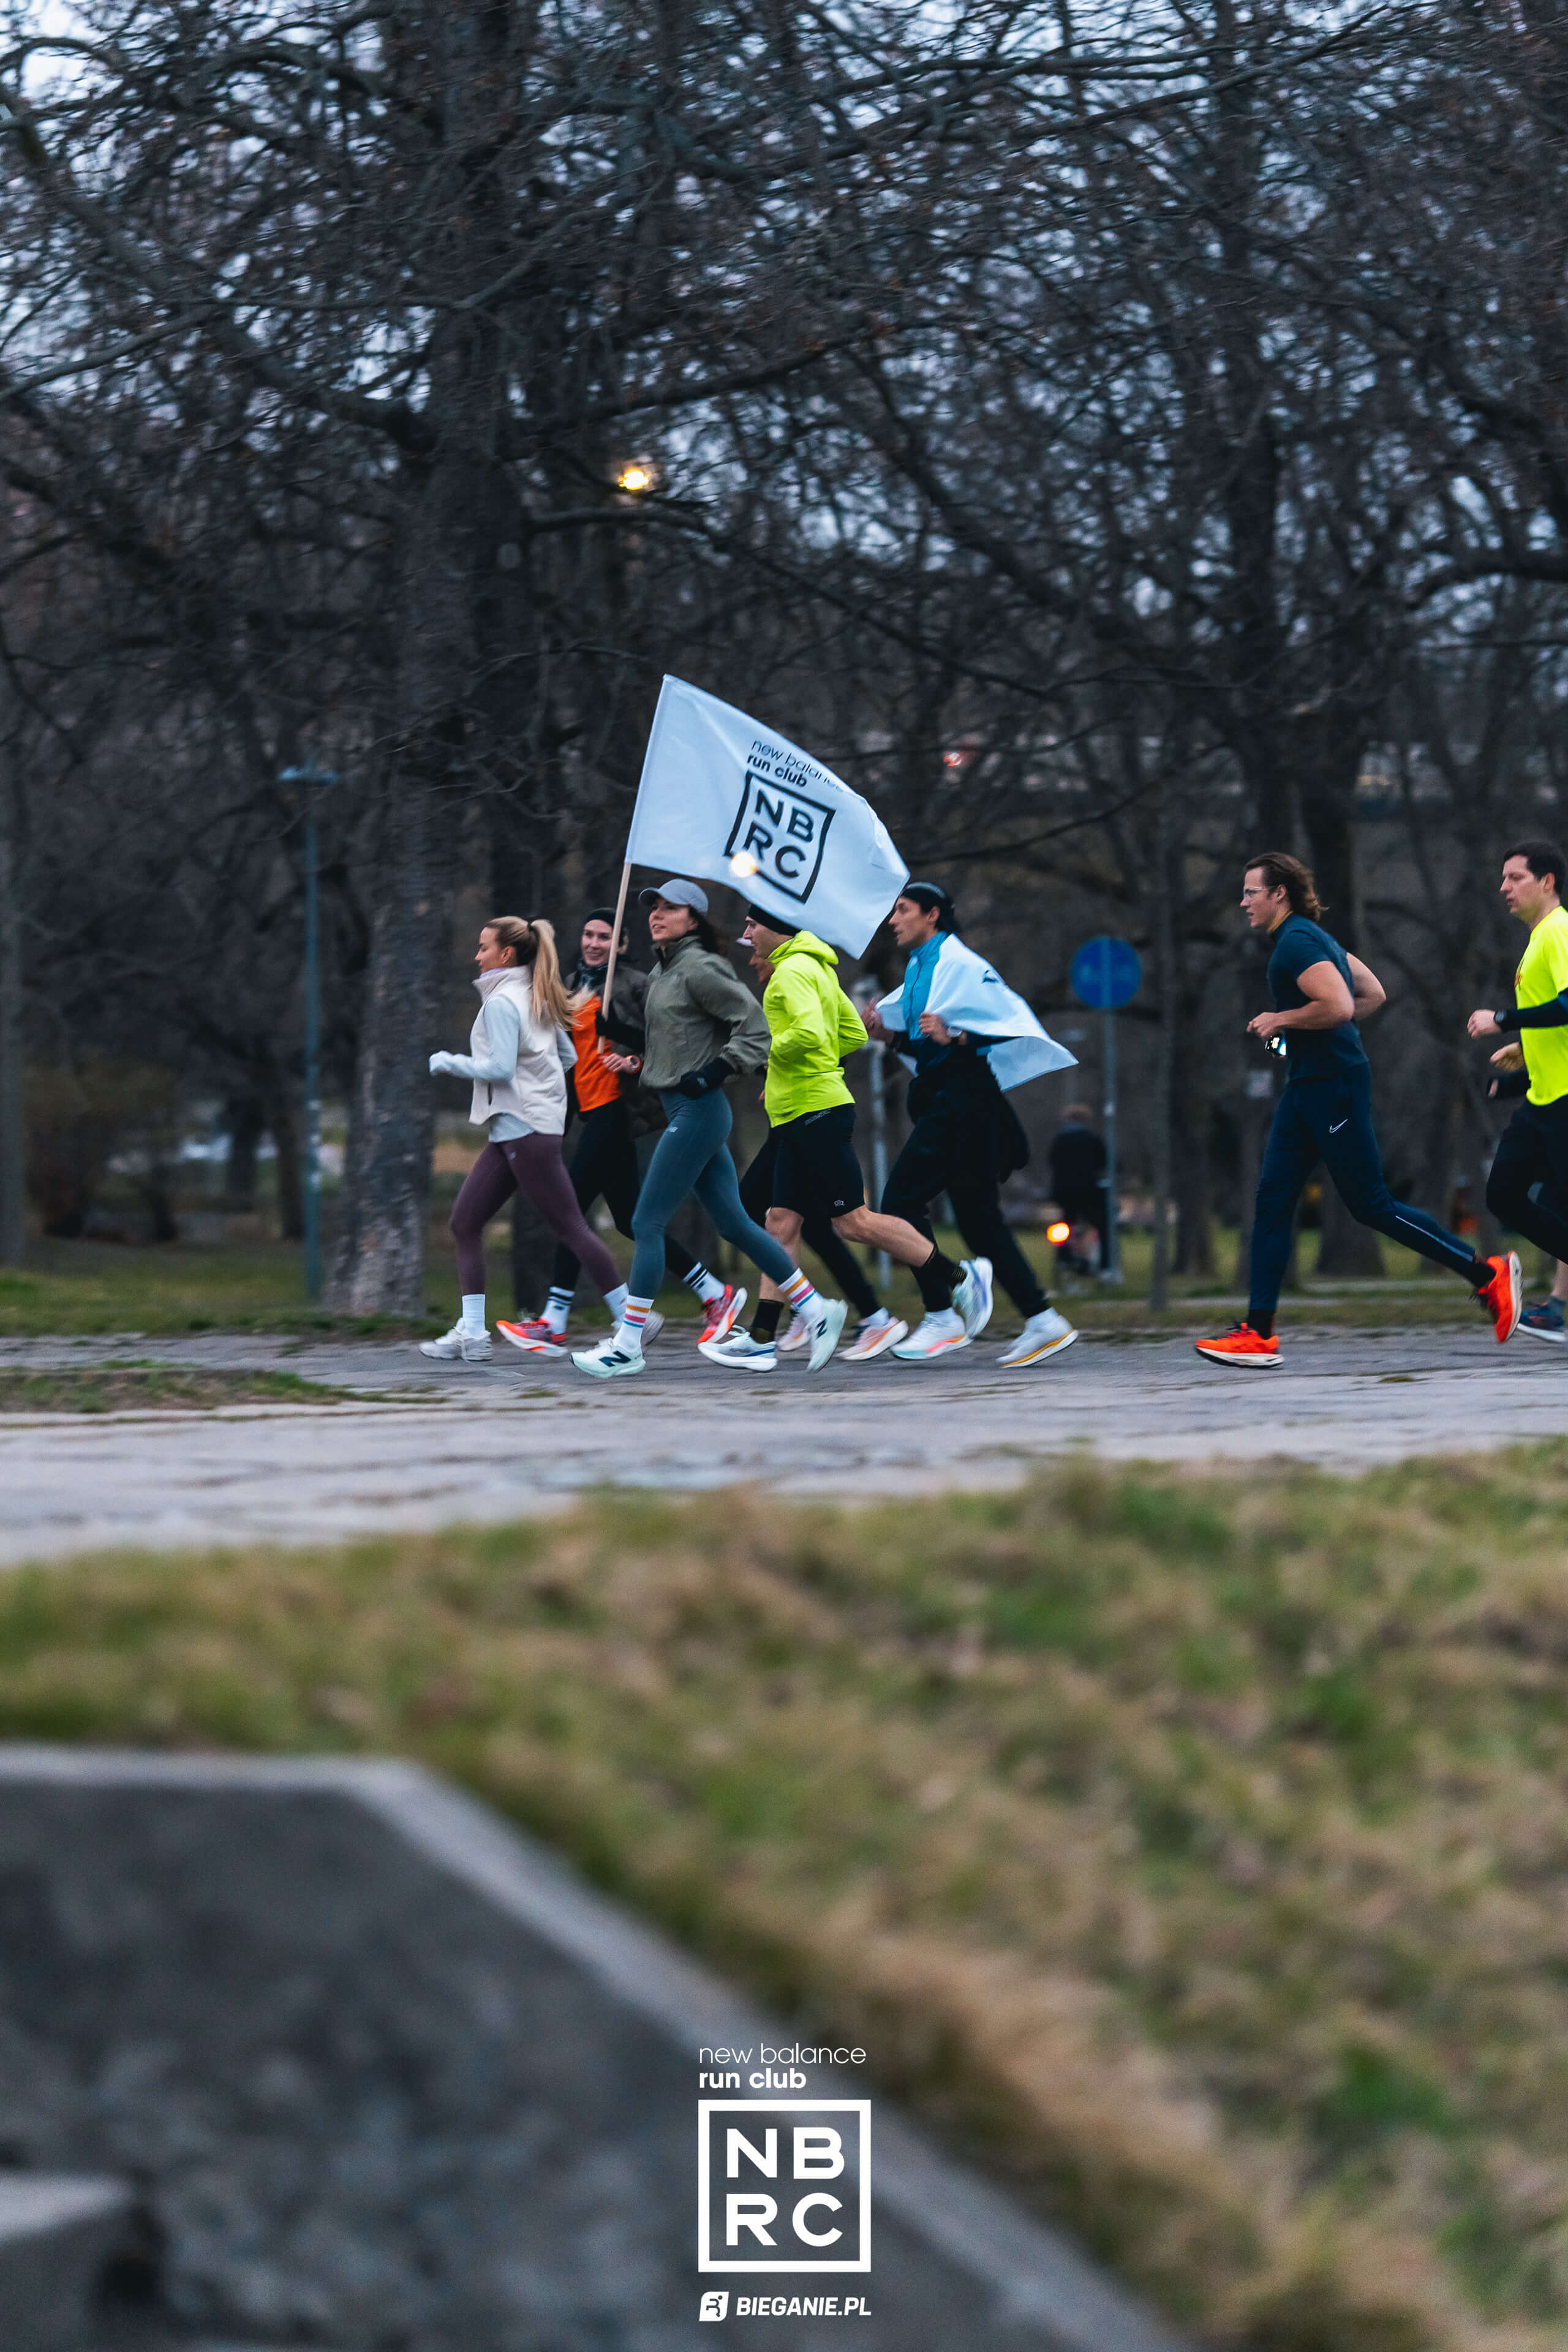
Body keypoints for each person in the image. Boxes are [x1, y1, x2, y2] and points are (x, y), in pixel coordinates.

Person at [1196, 852, 1520, 1368]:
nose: (1243, 903)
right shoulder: (1311, 937)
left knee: (1371, 1205)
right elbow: (1371, 992)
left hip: (1334, 1090)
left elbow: (1345, 1006)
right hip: (1308, 1087)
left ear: (1278, 893)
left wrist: (1283, 1018)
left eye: (1251, 892)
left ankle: (1487, 1275)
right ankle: (1258, 1333)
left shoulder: (1296, 944)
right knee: (1272, 1200)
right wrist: (1317, 1030)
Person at [571, 880, 847, 1379]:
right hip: (684, 1110)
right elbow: (677, 1045)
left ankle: (628, 1344)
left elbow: (756, 1028)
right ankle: (814, 1309)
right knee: (736, 1224)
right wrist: (628, 1041)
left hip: (699, 1112)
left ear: (693, 919)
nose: (657, 914)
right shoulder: (665, 971)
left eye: (670, 908)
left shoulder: (701, 967)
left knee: (646, 1222)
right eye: (653, 907)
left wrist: (714, 1074)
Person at [701, 905, 991, 1370]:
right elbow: (853, 1034)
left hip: (814, 1111)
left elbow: (811, 1034)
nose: (747, 934)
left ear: (777, 928)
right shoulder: (815, 966)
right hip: (804, 1110)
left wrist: (770, 1055)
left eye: (753, 925)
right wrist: (800, 1068)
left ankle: (962, 1277)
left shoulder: (789, 973)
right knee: (780, 1222)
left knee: (853, 1223)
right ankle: (761, 1336)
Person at [496, 907, 744, 1355]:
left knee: (568, 1206)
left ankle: (554, 1320)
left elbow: (668, 1040)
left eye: (605, 938)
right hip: (591, 1109)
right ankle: (713, 1292)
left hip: (621, 1107)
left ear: (621, 946)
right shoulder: (569, 988)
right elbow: (566, 1060)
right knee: (633, 1219)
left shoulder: (635, 984)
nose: (594, 943)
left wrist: (633, 1059)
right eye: (589, 935)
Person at [863, 883, 1079, 1364]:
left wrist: (957, 1033)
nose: (893, 920)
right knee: (981, 1223)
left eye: (903, 911)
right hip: (956, 1099)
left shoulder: (961, 964)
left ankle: (942, 1313)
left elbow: (1005, 1019)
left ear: (933, 916)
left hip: (964, 1103)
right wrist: (888, 1036)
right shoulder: (921, 968)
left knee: (899, 1202)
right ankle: (1043, 1320)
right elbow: (928, 1049)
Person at [421, 918, 637, 1363]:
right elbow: (566, 1056)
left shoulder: (503, 1002)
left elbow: (500, 1068)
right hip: (516, 1129)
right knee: (465, 1222)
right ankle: (474, 1333)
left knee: (571, 1227)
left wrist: (449, 1062)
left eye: (483, 948)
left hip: (526, 1131)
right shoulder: (534, 995)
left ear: (506, 955)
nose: (476, 956)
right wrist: (541, 1095)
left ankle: (630, 1320)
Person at [1466, 839, 1568, 1321]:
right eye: (1503, 878)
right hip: (1543, 1100)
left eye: (1515, 878)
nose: (1504, 887)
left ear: (1547, 882)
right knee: (1503, 1193)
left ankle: (1556, 1309)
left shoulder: (1559, 931)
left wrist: (1503, 1019)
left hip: (1564, 1101)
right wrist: (1525, 1049)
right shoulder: (1539, 937)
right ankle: (1557, 1308)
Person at [1048, 1104, 1109, 1275]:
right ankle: (1105, 1266)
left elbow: (1052, 1161)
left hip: (1064, 1192)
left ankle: (1064, 1259)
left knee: (1066, 1225)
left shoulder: (1060, 1140)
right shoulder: (1092, 1139)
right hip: (1088, 1191)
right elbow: (1104, 1162)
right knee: (1103, 1226)